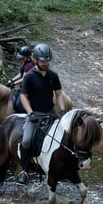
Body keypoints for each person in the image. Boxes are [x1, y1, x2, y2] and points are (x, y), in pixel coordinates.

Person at [16, 43, 68, 185]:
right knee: (26, 140)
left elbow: (58, 94)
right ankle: (24, 171)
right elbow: (23, 96)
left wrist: (63, 110)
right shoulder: (30, 76)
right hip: (35, 114)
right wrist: (30, 112)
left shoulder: (53, 76)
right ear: (36, 60)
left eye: (47, 61)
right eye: (43, 61)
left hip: (50, 113)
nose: (46, 63)